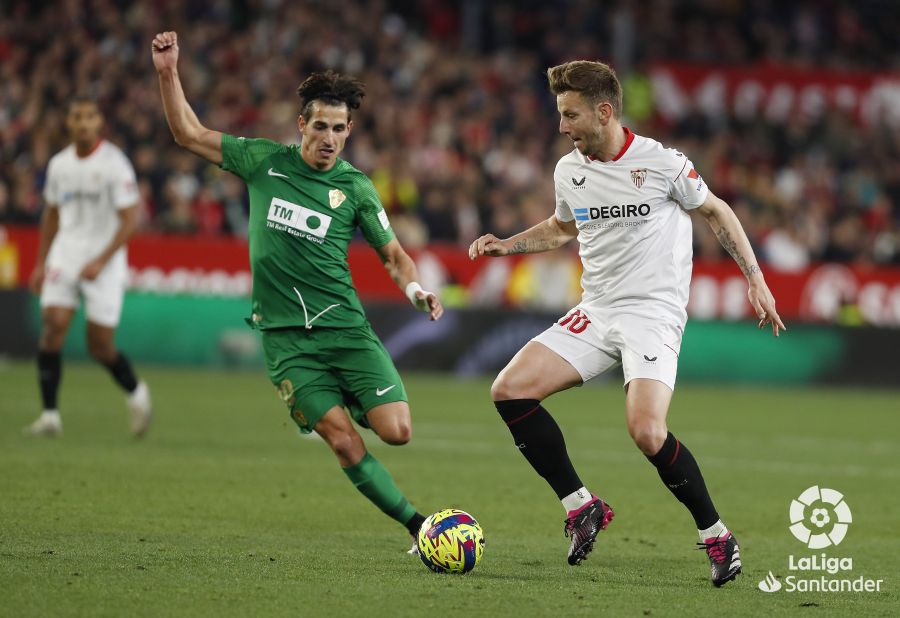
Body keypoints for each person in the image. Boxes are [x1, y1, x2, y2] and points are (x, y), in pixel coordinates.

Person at [468, 60, 786, 587]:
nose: (562, 126)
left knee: (645, 430)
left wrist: (755, 278)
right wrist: (509, 244)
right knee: (510, 391)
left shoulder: (662, 163)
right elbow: (562, 227)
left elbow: (718, 212)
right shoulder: (568, 170)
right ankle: (581, 506)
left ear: (604, 112)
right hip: (597, 309)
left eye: (571, 115)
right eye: (560, 115)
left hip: (652, 313)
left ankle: (717, 536)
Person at [151, 31, 443, 550]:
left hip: (345, 329)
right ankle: (419, 527)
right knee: (343, 443)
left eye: (338, 129)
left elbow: (394, 256)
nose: (328, 138)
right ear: (301, 125)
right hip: (287, 340)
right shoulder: (262, 160)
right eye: (320, 127)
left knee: (397, 431)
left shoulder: (355, 188)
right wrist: (168, 72)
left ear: (349, 130)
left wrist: (417, 290)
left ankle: (348, 398)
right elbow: (189, 134)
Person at [25, 96, 152, 438]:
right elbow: (51, 214)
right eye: (77, 117)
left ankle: (137, 393)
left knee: (99, 346)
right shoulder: (58, 165)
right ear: (68, 123)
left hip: (105, 261)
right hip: (66, 253)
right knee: (52, 325)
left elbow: (130, 219)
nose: (83, 123)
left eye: (90, 117)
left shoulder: (114, 164)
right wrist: (40, 263)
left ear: (99, 123)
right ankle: (50, 416)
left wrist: (102, 259)